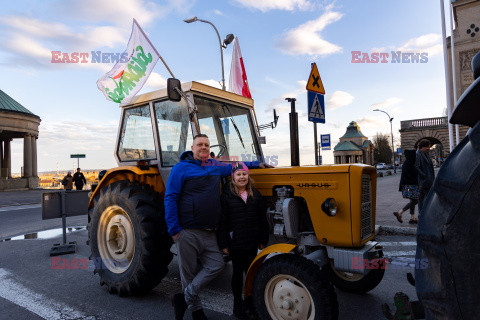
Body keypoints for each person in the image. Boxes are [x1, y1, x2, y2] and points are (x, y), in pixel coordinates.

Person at [164, 134, 269, 320]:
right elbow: (170, 197)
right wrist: (174, 230)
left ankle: (183, 298)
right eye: (200, 144)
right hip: (187, 231)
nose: (203, 147)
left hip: (210, 231)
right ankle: (197, 312)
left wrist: (256, 163)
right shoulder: (180, 168)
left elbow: (234, 167)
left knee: (217, 265)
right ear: (192, 147)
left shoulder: (213, 165)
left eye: (206, 144)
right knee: (188, 274)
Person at [218, 162, 269, 319]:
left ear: (248, 176)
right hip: (236, 242)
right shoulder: (226, 196)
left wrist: (263, 239)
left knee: (251, 273)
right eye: (238, 174)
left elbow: (262, 218)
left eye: (244, 174)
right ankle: (237, 302)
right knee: (237, 273)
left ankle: (250, 302)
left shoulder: (255, 194)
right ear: (233, 178)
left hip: (252, 241)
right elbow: (222, 221)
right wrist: (224, 243)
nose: (242, 177)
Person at [393, 150, 420, 224]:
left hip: (408, 185)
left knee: (412, 200)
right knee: (416, 200)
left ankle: (412, 218)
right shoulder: (409, 163)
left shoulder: (407, 163)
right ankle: (400, 212)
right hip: (411, 185)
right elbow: (412, 175)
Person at [414, 139, 434, 212]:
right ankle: (421, 213)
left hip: (428, 180)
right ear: (422, 147)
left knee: (428, 197)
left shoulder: (426, 154)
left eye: (429, 147)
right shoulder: (418, 154)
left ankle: (426, 212)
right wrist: (424, 175)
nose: (428, 148)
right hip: (422, 181)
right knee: (421, 198)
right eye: (427, 147)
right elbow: (416, 166)